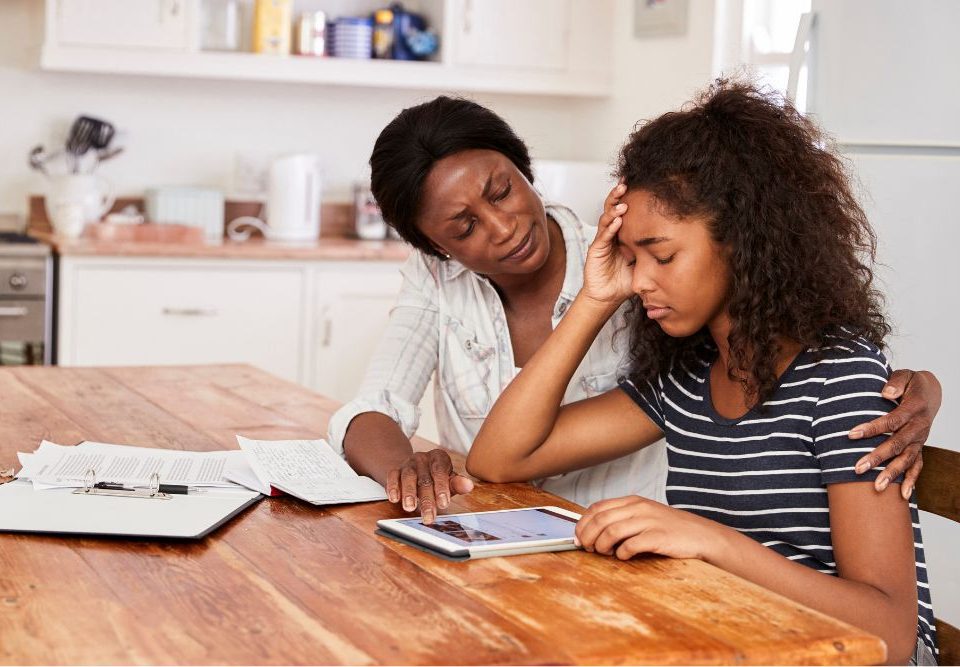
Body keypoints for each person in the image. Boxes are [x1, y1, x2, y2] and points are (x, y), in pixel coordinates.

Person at [466, 80, 938, 665]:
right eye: (631, 259)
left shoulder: (838, 379)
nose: (639, 282)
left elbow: (892, 634)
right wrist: (594, 299)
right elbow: (497, 459)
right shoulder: (686, 380)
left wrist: (708, 542)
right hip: (740, 641)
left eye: (661, 256)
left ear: (742, 241)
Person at [328, 95, 941, 526]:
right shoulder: (442, 282)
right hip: (519, 546)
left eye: (503, 190)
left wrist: (917, 387)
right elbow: (387, 412)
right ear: (438, 247)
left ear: (523, 169)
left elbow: (792, 352)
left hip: (635, 552)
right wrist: (406, 471)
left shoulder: (642, 259)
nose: (503, 226)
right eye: (464, 226)